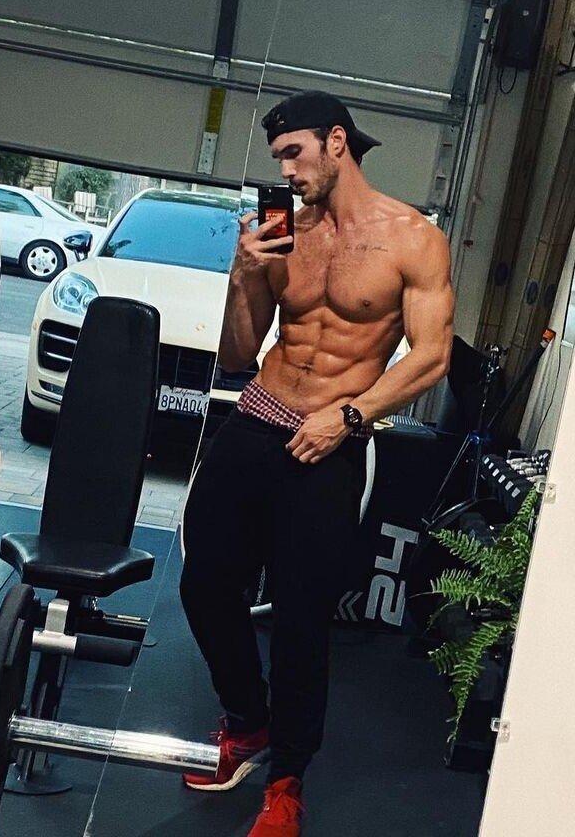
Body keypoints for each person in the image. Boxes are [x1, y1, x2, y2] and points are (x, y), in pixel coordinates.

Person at [179, 90, 454, 836]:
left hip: (331, 440)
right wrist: (243, 273)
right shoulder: (283, 233)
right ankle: (248, 721)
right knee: (204, 585)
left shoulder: (413, 239)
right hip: (256, 420)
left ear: (336, 142)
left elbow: (430, 355)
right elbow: (238, 354)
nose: (285, 171)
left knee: (302, 619)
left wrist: (351, 414)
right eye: (278, 159)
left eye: (293, 153)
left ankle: (287, 780)